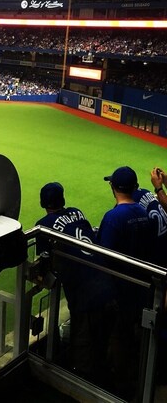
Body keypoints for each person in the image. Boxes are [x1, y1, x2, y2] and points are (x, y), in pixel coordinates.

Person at [33, 182, 115, 384]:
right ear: (62, 200)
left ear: (43, 203)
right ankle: (104, 368)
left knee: (83, 340)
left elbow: (43, 263)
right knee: (103, 333)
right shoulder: (77, 212)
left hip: (84, 291)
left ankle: (82, 381)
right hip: (107, 279)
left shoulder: (43, 224)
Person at [98, 166, 157, 396]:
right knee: (132, 334)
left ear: (114, 188)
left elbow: (104, 256)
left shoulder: (113, 217)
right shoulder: (143, 212)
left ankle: (122, 387)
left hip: (119, 290)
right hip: (141, 287)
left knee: (119, 336)